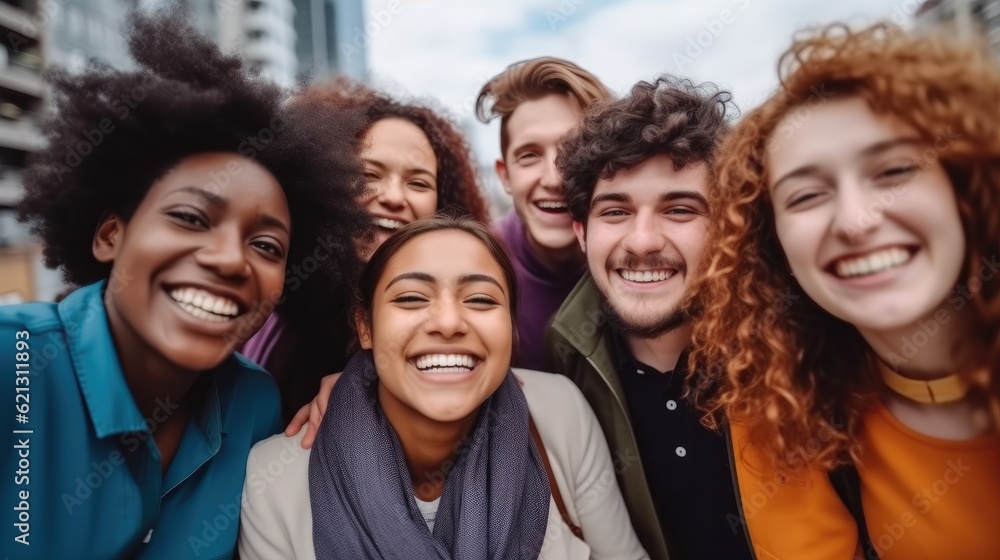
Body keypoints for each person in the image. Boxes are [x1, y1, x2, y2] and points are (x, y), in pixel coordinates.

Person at [0, 7, 367, 559]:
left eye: (267, 246)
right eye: (191, 218)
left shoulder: (253, 405)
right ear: (109, 236)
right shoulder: (15, 362)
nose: (228, 260)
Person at [689, 23, 1000, 560]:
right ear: (772, 245)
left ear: (967, 185)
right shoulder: (775, 402)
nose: (857, 220)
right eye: (807, 195)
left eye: (896, 170)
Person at [239, 215, 647, 560]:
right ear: (365, 325)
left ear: (510, 326)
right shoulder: (273, 479)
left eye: (482, 300)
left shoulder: (559, 412)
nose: (449, 322)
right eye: (413, 298)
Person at [547, 76, 753, 560]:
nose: (642, 242)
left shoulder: (793, 350)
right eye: (615, 212)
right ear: (581, 232)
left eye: (679, 209)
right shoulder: (560, 372)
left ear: (727, 227)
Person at [243, 79, 490, 420]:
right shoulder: (277, 290)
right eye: (369, 174)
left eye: (418, 183)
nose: (392, 196)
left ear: (442, 206)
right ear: (326, 180)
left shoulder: (460, 320)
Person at [476, 57, 613, 369]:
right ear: (505, 176)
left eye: (574, 152)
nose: (553, 179)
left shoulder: (645, 262)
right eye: (529, 155)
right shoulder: (471, 266)